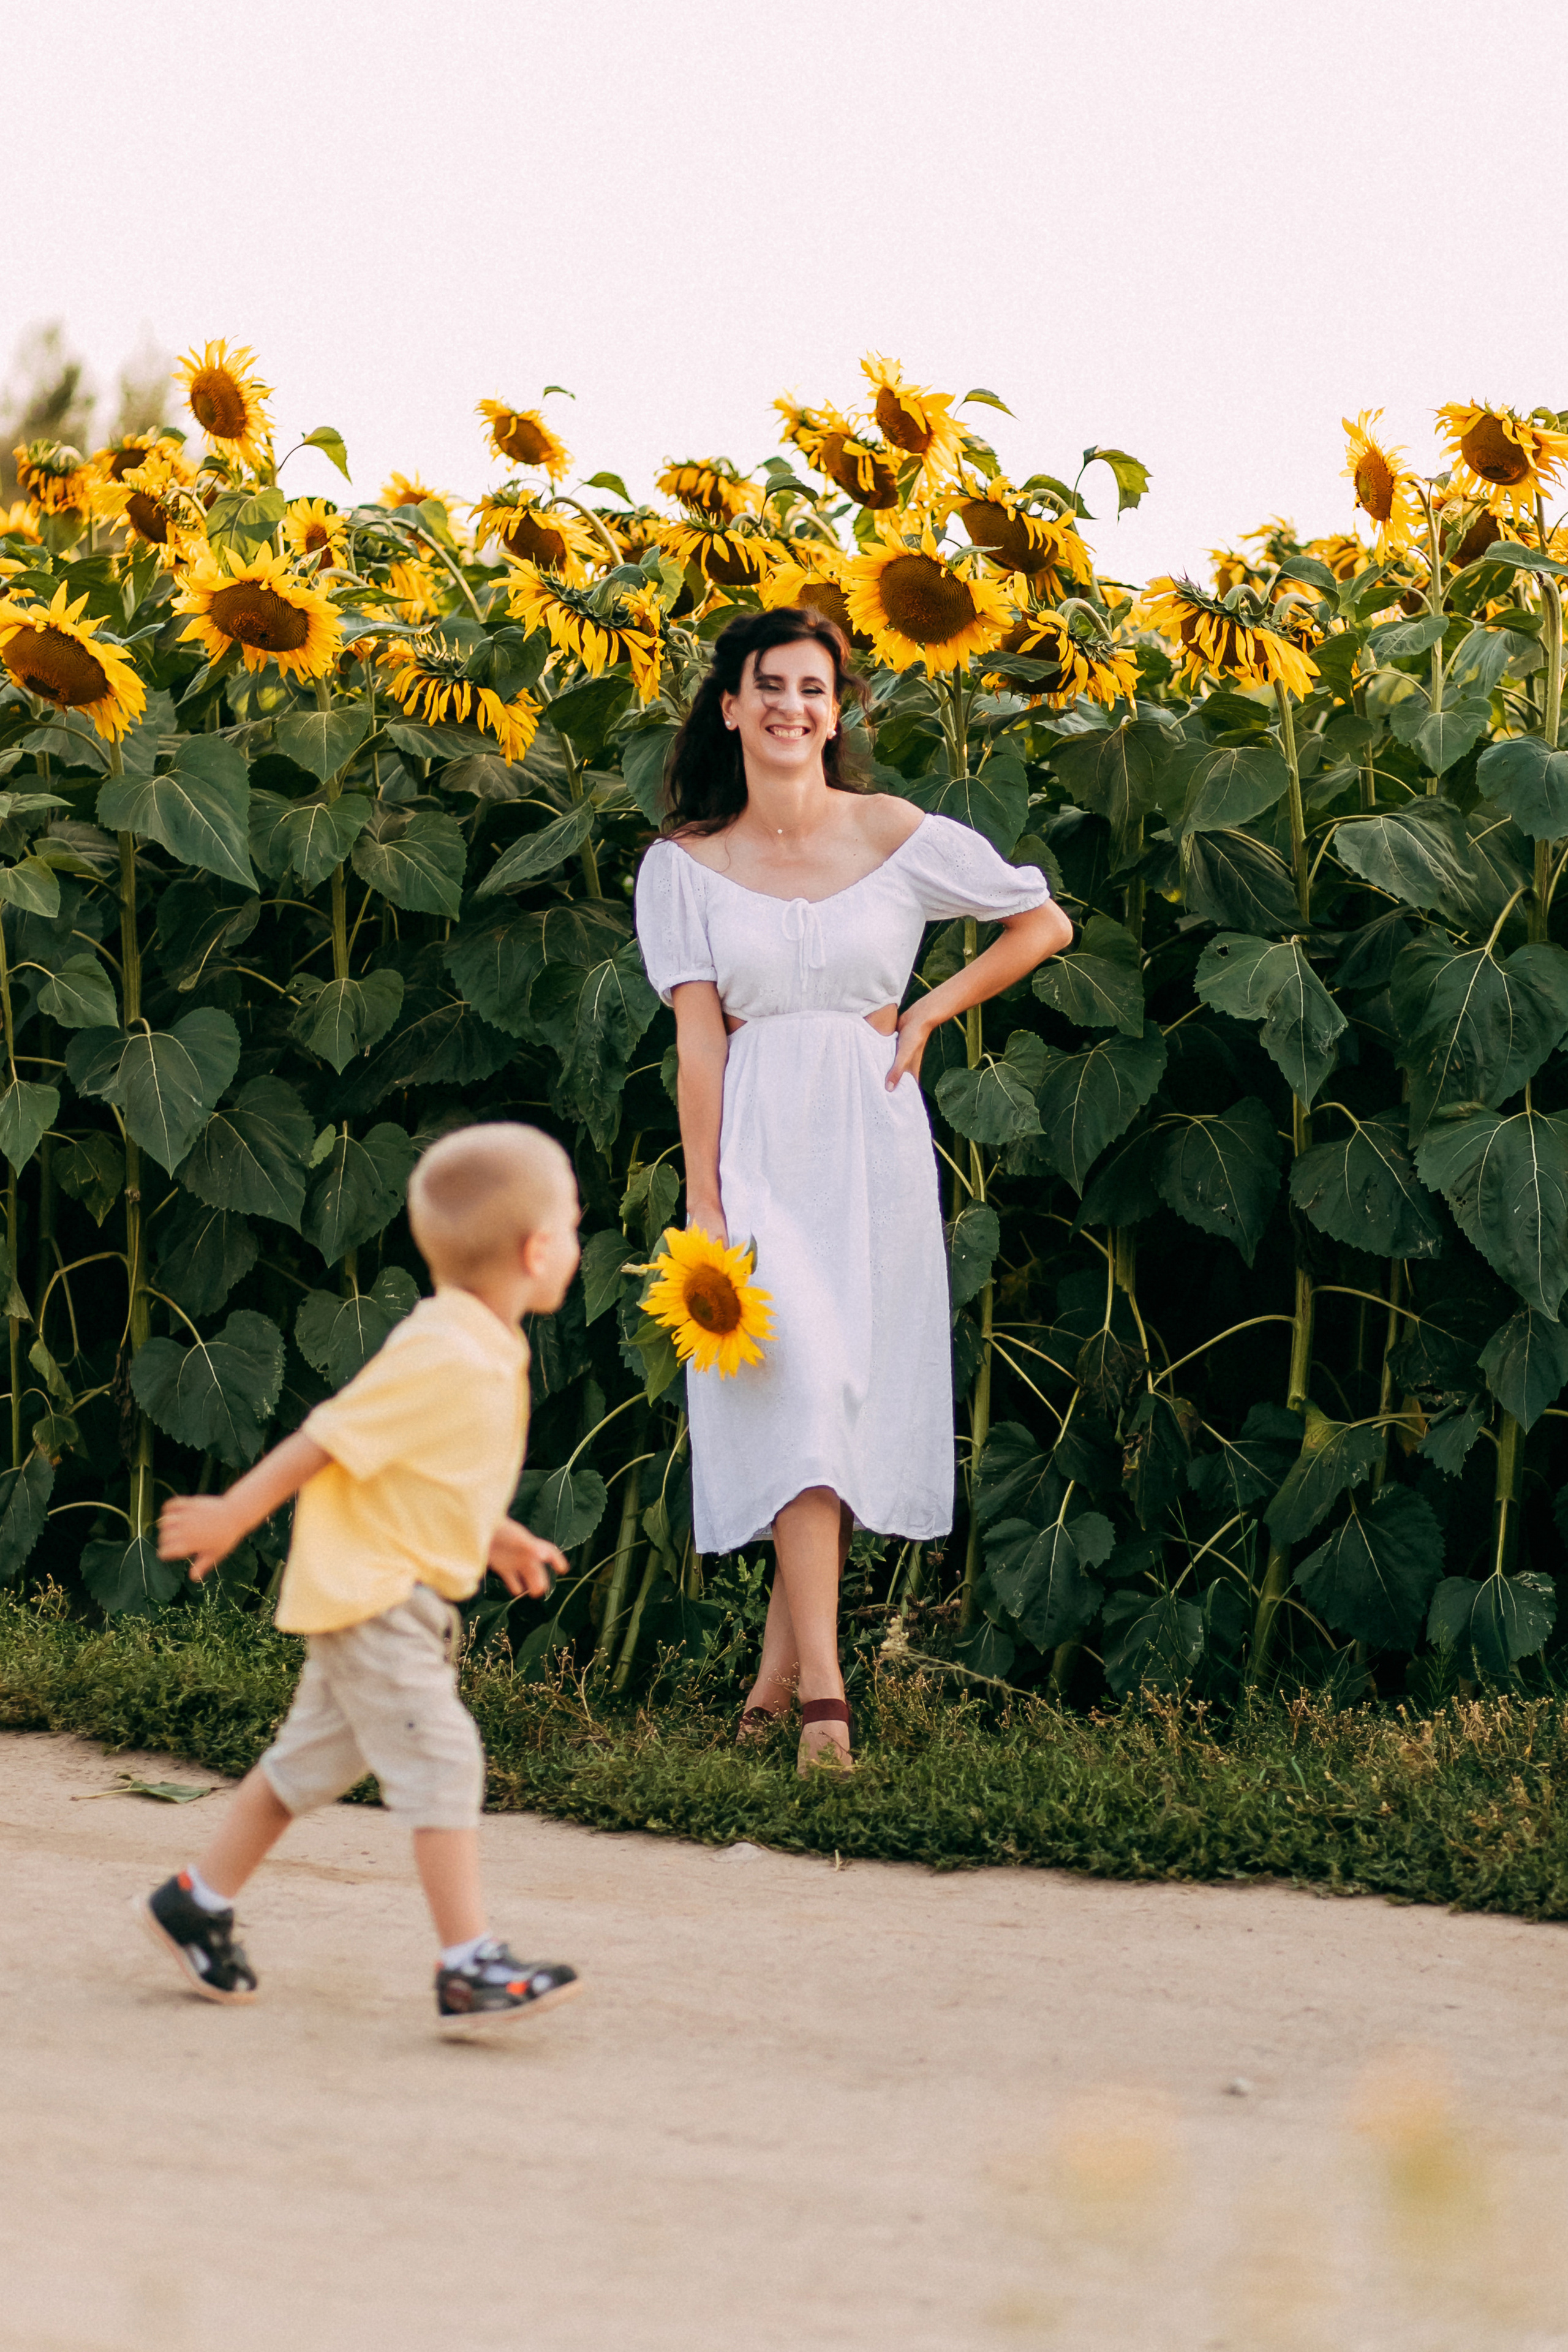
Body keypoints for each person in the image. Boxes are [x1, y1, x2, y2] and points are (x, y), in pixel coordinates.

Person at [633, 608, 1072, 1770]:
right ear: (729, 707)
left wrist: (931, 1006)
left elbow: (1042, 920)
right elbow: (698, 1046)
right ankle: (825, 1691)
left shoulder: (894, 832)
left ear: (841, 711)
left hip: (871, 1138)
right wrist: (706, 1202)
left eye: (814, 687)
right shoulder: (683, 866)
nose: (791, 705)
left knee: (831, 1401)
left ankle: (773, 1688)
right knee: (802, 1385)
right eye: (767, 685)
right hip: (758, 1145)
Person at [135, 1122, 585, 2033]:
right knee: (444, 1756)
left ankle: (196, 1902)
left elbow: (426, 1470)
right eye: (575, 1223)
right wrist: (234, 1512)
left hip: (383, 1590)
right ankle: (468, 1966)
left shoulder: (484, 1343)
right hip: (378, 1596)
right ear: (539, 1250)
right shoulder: (446, 1350)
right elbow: (328, 1436)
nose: (578, 1240)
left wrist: (494, 1535)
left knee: (306, 1767)